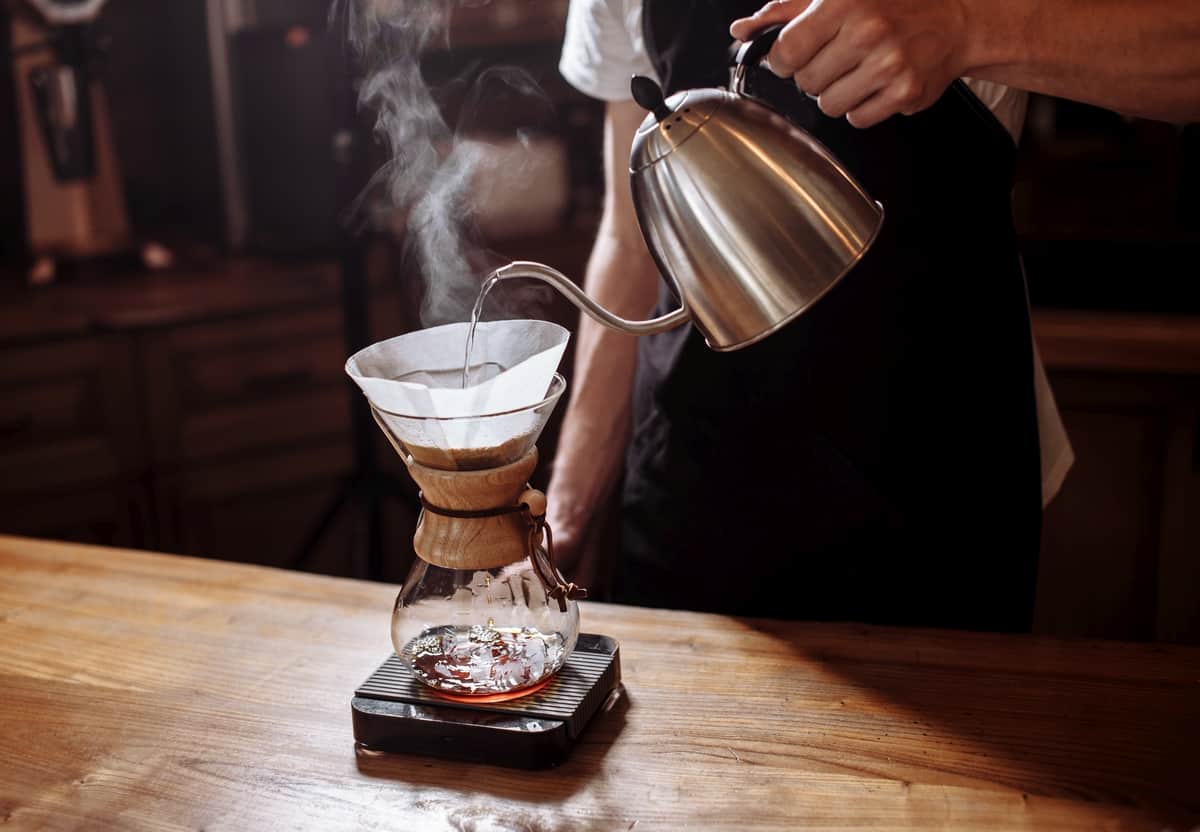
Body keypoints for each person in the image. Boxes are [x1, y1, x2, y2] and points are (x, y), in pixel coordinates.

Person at [546, 0, 1200, 631]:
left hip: (933, 471)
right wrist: (570, 510)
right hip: (690, 476)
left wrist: (966, 26)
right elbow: (632, 239)